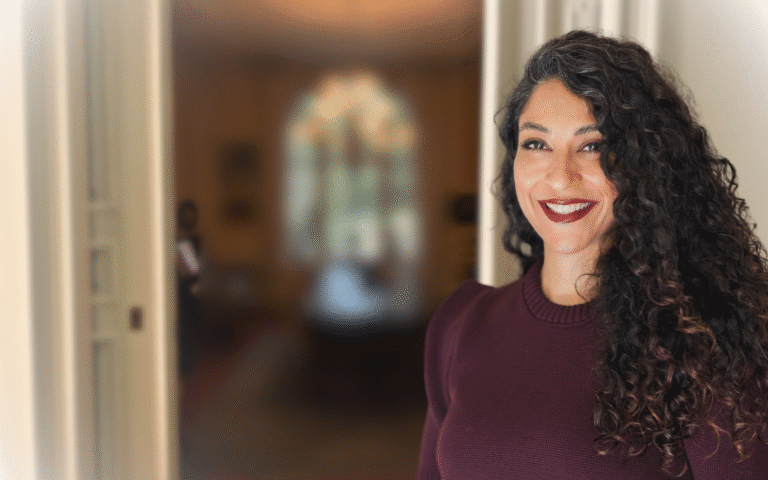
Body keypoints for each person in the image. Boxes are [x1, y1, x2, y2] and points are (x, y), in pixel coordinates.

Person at [417, 30, 768, 479]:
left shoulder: (706, 341)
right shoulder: (461, 324)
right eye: (536, 143)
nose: (560, 177)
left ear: (644, 165)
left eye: (593, 146)